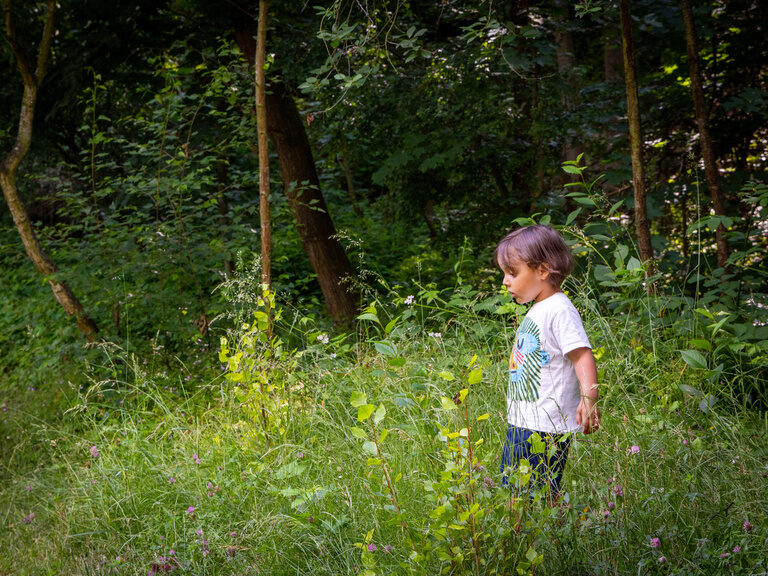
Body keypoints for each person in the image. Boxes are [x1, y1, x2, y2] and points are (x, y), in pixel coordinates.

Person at [495, 225, 600, 500]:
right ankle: (546, 535)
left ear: (543, 271)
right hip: (524, 421)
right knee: (524, 493)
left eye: (512, 272)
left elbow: (582, 354)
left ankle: (541, 537)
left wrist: (589, 399)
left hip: (542, 427)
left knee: (526, 496)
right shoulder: (540, 308)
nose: (505, 281)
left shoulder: (559, 309)